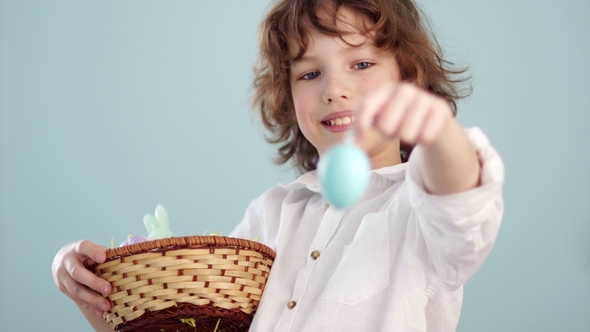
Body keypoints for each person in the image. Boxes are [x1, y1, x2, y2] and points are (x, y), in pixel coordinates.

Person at [52, 0, 505, 331]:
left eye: (362, 63)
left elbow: (461, 199)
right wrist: (90, 290)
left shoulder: (422, 210)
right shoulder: (270, 214)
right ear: (288, 96)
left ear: (409, 79)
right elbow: (186, 324)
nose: (335, 89)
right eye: (310, 73)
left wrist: (437, 130)